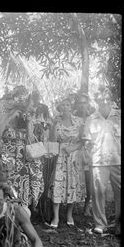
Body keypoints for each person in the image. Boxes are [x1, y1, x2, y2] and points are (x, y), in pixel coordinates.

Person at [82, 92, 120, 235]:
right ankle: (100, 224)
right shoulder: (91, 119)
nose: (105, 101)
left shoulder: (120, 116)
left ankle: (120, 225)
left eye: (107, 98)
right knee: (98, 193)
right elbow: (85, 139)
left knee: (121, 193)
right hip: (98, 161)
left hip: (118, 160)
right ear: (97, 101)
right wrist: (88, 145)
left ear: (111, 100)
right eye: (101, 99)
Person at [48, 97, 85, 228]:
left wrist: (73, 148)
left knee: (72, 184)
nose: (65, 107)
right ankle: (56, 217)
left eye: (68, 104)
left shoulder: (79, 121)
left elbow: (82, 140)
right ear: (60, 108)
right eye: (63, 105)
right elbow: (52, 140)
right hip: (60, 156)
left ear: (71, 107)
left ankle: (69, 214)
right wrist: (53, 126)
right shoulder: (56, 122)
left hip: (74, 156)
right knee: (57, 184)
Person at [74, 93, 95, 217]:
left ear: (88, 104)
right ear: (76, 104)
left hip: (88, 152)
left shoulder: (92, 118)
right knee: (74, 178)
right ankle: (73, 204)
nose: (82, 105)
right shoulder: (72, 117)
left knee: (89, 180)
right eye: (80, 103)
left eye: (84, 103)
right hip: (75, 151)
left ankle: (87, 207)